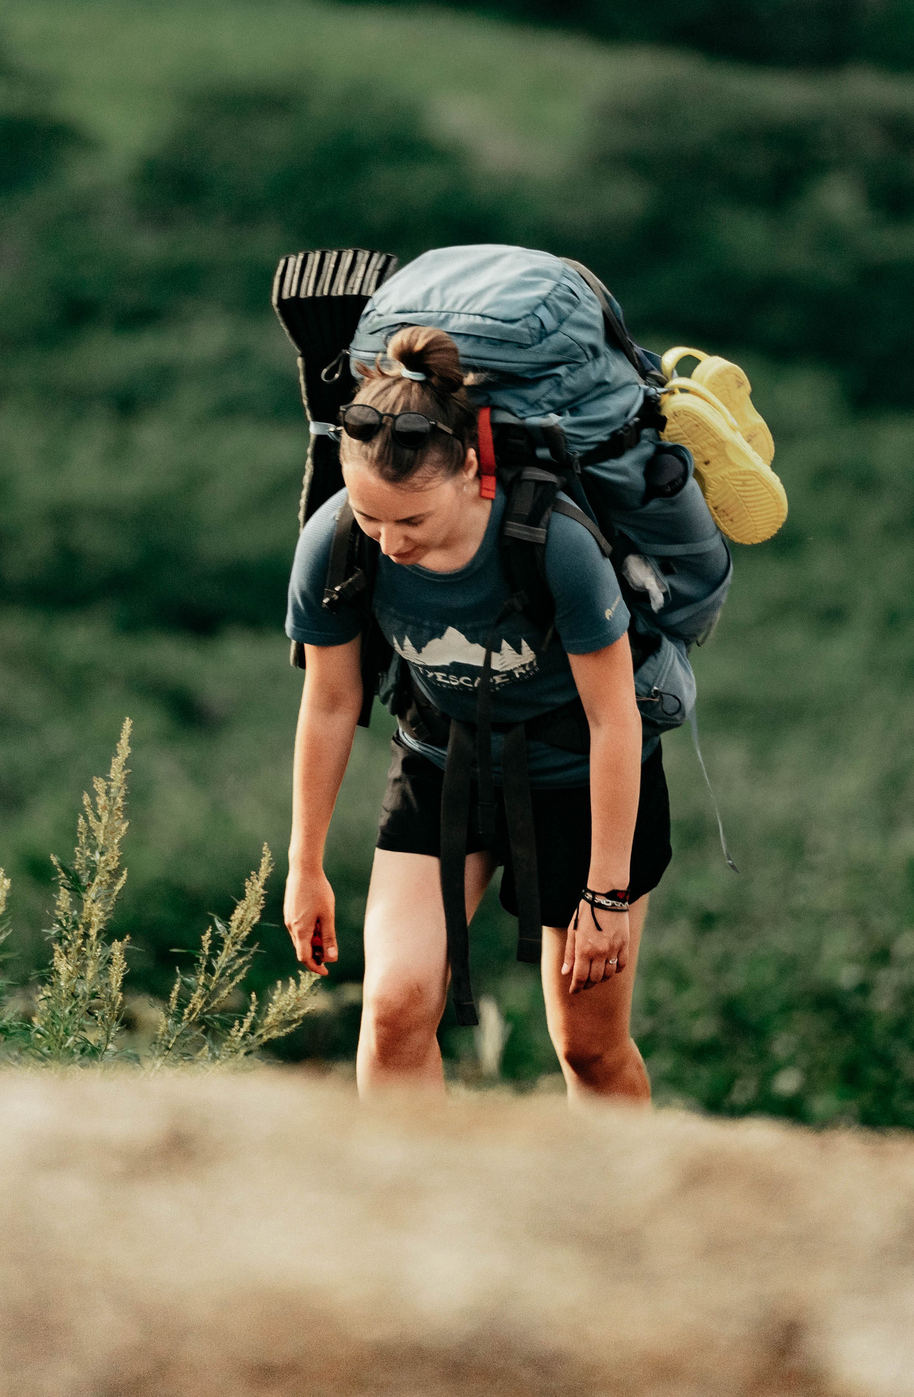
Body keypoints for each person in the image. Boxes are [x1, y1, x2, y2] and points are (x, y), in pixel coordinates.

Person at [282, 324, 666, 1102]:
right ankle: (412, 1216)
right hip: (440, 762)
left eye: (410, 522)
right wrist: (305, 863)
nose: (388, 542)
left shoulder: (553, 543)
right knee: (393, 1012)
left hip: (578, 784)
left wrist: (606, 893)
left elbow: (614, 720)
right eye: (369, 516)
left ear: (469, 470)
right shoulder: (334, 541)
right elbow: (329, 701)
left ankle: (621, 1212)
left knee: (588, 1047)